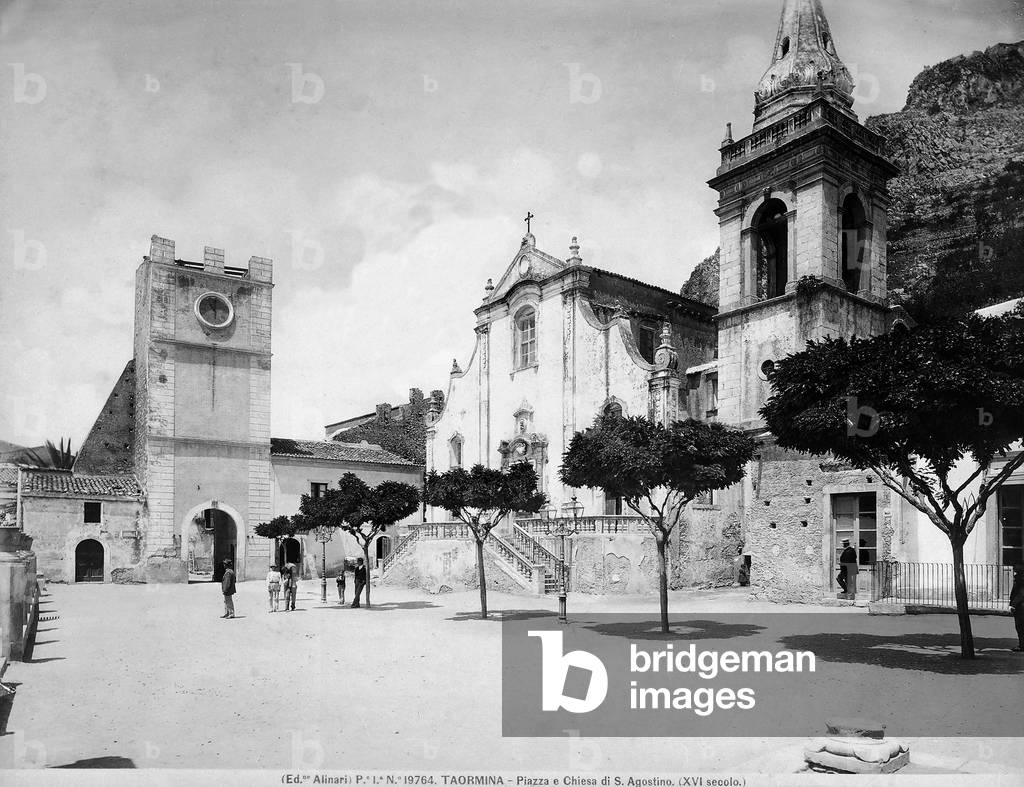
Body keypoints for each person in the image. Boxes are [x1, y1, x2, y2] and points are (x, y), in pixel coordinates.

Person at [1010, 565, 1024, 653]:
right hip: (1020, 606)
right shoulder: (1019, 578)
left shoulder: (1020, 579)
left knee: (1020, 626)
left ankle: (1022, 645)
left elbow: (1021, 593)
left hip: (1021, 607)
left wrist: (1013, 604)